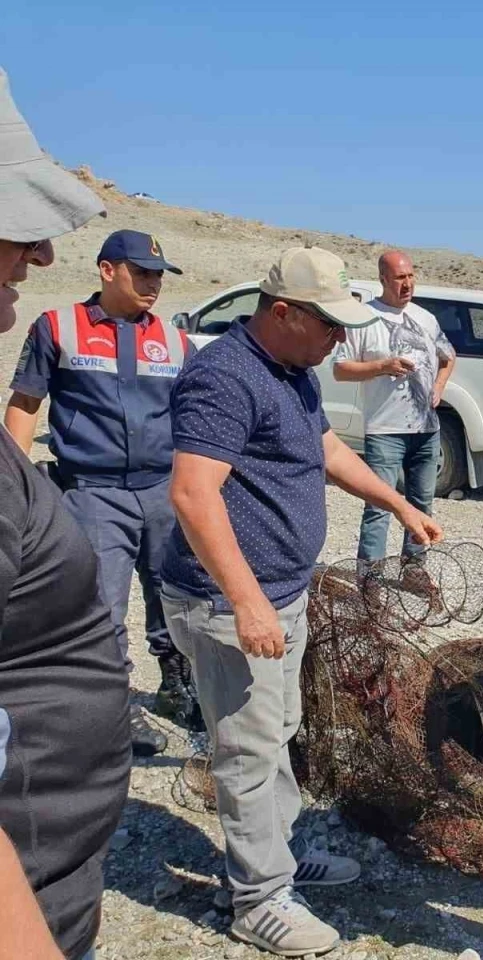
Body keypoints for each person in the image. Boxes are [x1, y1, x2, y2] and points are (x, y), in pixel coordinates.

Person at [160, 245, 444, 958]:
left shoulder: (294, 371)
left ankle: (272, 861)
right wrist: (247, 602)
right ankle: (256, 900)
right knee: (248, 748)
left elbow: (329, 453)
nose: (339, 339)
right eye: (327, 324)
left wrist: (400, 504)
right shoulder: (225, 376)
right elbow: (193, 495)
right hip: (228, 603)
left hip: (280, 593)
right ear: (281, 312)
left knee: (280, 727)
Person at [0, 66, 131, 960]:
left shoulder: (161, 336)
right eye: (15, 227)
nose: (38, 255)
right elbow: (30, 407)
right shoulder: (61, 330)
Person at [5, 227, 199, 755]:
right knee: (103, 608)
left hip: (162, 490)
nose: (153, 284)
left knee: (174, 594)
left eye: (158, 275)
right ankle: (113, 713)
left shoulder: (175, 340)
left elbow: (192, 418)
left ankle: (177, 686)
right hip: (92, 494)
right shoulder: (58, 327)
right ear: (107, 269)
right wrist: (16, 493)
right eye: (142, 273)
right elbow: (26, 406)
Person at [332, 249, 455, 566]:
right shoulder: (363, 317)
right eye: (400, 277)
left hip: (427, 430)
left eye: (411, 276)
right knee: (379, 507)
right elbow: (340, 369)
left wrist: (438, 388)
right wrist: (382, 366)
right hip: (385, 431)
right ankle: (369, 580)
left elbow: (449, 356)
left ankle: (413, 569)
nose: (408, 283)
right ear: (383, 279)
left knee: (422, 503)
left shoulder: (425, 318)